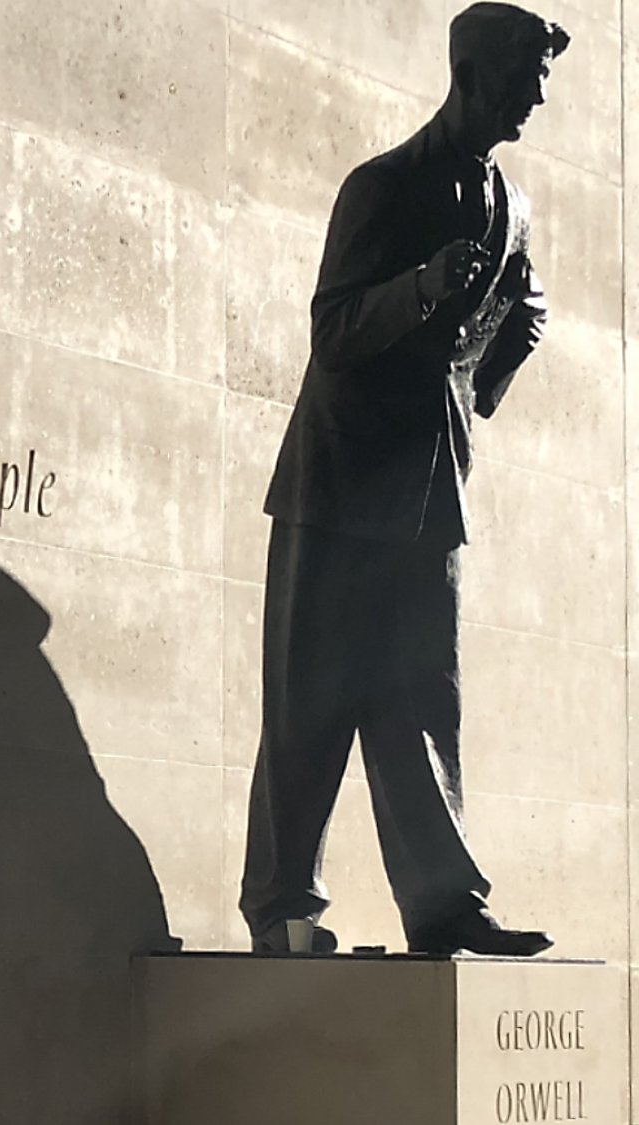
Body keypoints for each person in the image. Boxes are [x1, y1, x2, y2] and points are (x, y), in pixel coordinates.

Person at [240, 2, 566, 957]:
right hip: (340, 486)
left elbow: (478, 369)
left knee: (424, 700)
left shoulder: (515, 208)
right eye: (525, 79)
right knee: (310, 701)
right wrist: (421, 287)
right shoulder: (381, 187)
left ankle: (444, 906)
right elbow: (333, 331)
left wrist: (510, 344)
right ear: (470, 75)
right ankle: (283, 909)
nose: (537, 99)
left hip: (432, 493)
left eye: (541, 81)